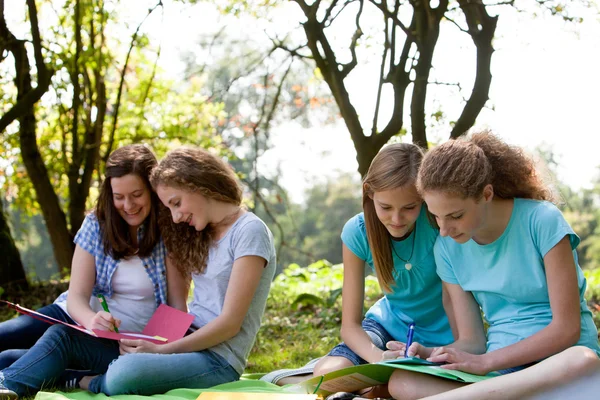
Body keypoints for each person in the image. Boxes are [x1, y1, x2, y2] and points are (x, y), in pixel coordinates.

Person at [386, 131, 600, 400]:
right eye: (436, 217)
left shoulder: (542, 221)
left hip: (559, 362)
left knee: (583, 359)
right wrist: (428, 353)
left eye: (455, 215)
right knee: (403, 383)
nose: (444, 230)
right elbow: (473, 341)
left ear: (486, 194)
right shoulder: (447, 248)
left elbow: (566, 330)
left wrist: (486, 363)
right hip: (501, 374)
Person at [71, 146, 277, 396]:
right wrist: (153, 342)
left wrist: (161, 351)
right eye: (169, 208)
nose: (176, 217)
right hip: (184, 340)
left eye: (176, 203)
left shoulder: (250, 231)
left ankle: (89, 381)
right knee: (88, 346)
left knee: (124, 373)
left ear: (198, 184)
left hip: (218, 359)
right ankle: (53, 367)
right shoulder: (202, 232)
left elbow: (229, 325)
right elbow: (181, 304)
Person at [0, 144, 188, 400]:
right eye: (118, 196)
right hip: (74, 315)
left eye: (136, 194)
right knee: (5, 336)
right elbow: (76, 296)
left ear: (153, 191)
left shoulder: (170, 231)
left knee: (8, 359)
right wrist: (91, 320)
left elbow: (177, 307)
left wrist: (155, 348)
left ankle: (49, 376)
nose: (128, 205)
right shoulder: (95, 225)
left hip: (124, 339)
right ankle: (60, 373)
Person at [296, 143, 454, 393]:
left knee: (404, 386)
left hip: (443, 336)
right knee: (327, 375)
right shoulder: (357, 232)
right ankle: (374, 385)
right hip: (386, 329)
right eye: (386, 207)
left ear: (423, 197)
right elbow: (350, 326)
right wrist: (377, 357)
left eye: (409, 207)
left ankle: (376, 388)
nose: (397, 219)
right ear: (369, 193)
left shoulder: (440, 224)